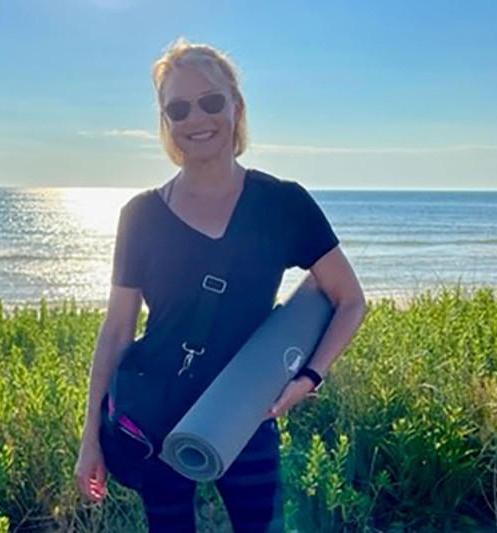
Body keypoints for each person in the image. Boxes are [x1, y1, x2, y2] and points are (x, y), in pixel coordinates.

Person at [74, 38, 366, 533]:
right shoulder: (140, 215)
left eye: (210, 101)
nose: (196, 119)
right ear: (166, 123)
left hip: (247, 411)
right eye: (178, 109)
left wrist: (310, 377)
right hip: (157, 412)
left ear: (237, 106)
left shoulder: (283, 203)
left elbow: (349, 300)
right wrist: (90, 440)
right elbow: (117, 330)